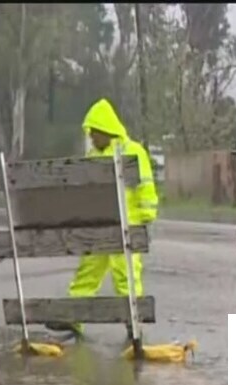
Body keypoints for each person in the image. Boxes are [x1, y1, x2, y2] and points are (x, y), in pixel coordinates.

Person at [48, 98, 159, 337]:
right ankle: (74, 316)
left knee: (126, 274)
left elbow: (145, 188)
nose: (91, 137)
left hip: (126, 224)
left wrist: (146, 218)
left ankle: (133, 320)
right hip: (98, 225)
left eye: (94, 132)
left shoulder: (132, 151)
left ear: (106, 130)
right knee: (88, 271)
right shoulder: (93, 155)